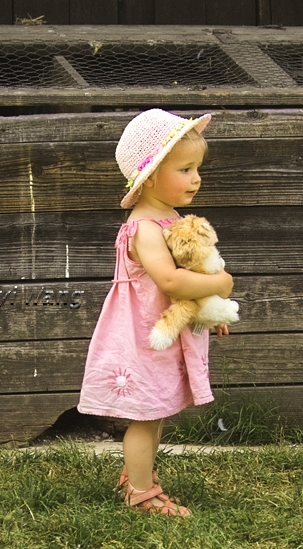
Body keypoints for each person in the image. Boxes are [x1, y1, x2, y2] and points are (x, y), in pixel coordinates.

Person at [78, 109, 234, 516]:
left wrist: (209, 312)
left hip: (163, 333)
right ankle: (141, 493)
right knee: (146, 416)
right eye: (185, 169)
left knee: (159, 409)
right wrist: (221, 285)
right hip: (143, 336)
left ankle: (138, 473)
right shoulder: (144, 228)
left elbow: (189, 270)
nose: (196, 178)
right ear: (149, 177)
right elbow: (171, 281)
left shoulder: (171, 219)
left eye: (197, 168)